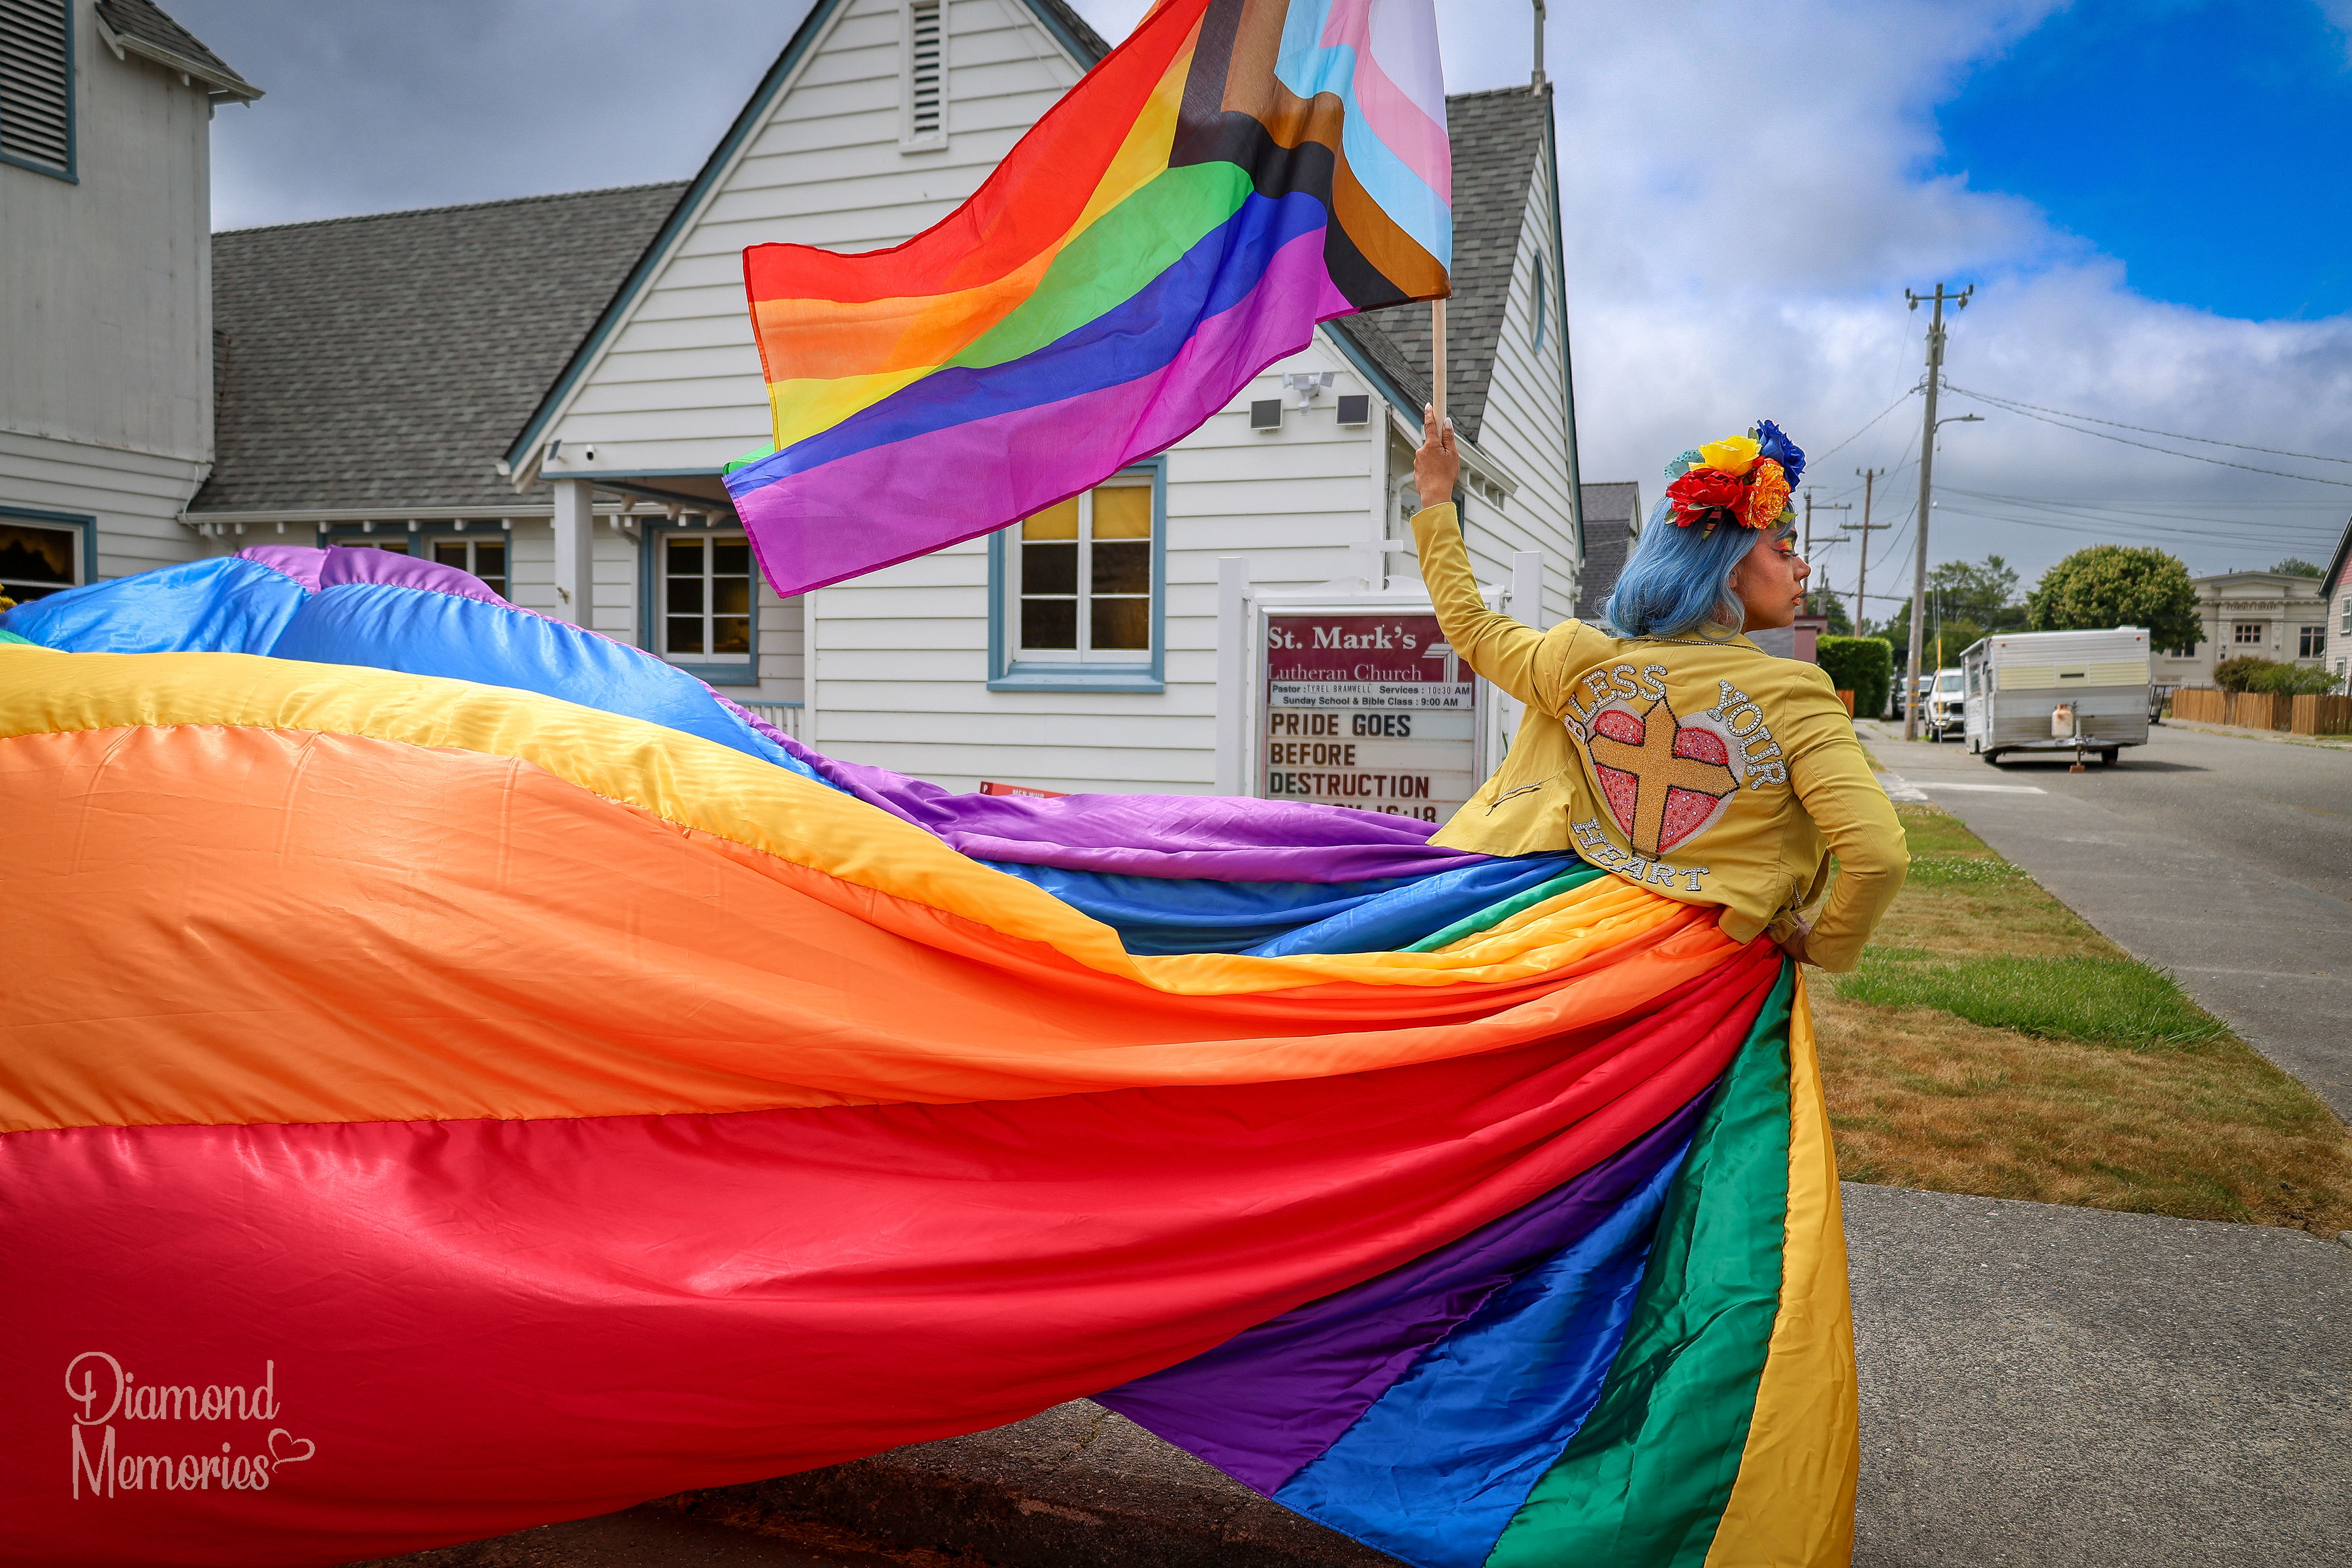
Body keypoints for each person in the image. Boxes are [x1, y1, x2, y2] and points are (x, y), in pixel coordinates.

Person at [1409, 405, 1906, 971]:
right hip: (1704, 983)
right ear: (1728, 569)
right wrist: (1824, 947)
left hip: (1564, 948)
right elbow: (1877, 856)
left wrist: (1436, 499)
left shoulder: (1579, 662)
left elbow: (1472, 627)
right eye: (1785, 548)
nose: (1804, 569)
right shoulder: (1797, 694)